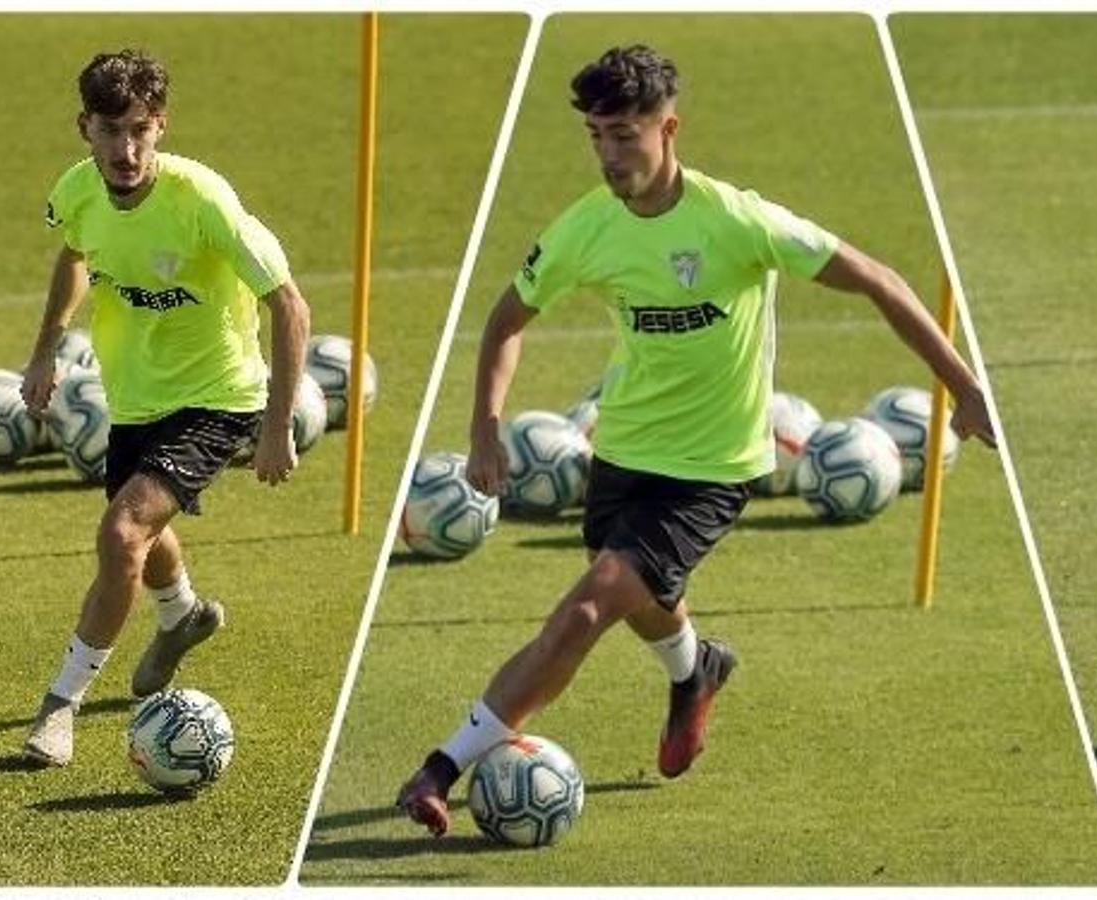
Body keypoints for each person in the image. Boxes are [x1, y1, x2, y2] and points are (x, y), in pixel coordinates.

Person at [397, 44, 996, 837]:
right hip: (621, 450)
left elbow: (878, 279)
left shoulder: (736, 221)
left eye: (626, 136)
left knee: (591, 606)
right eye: (598, 137)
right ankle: (697, 669)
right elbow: (508, 319)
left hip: (712, 469)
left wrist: (964, 383)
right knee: (645, 600)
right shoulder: (586, 227)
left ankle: (441, 767)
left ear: (669, 128)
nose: (611, 155)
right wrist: (483, 427)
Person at [18, 49, 310, 767]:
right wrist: (45, 348)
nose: (127, 149)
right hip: (137, 397)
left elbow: (289, 304)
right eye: (111, 131)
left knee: (122, 534)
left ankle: (61, 707)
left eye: (142, 131)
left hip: (219, 397)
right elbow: (74, 254)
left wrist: (275, 427)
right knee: (142, 536)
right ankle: (180, 617)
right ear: (84, 127)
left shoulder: (204, 200)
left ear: (161, 126)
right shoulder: (76, 192)